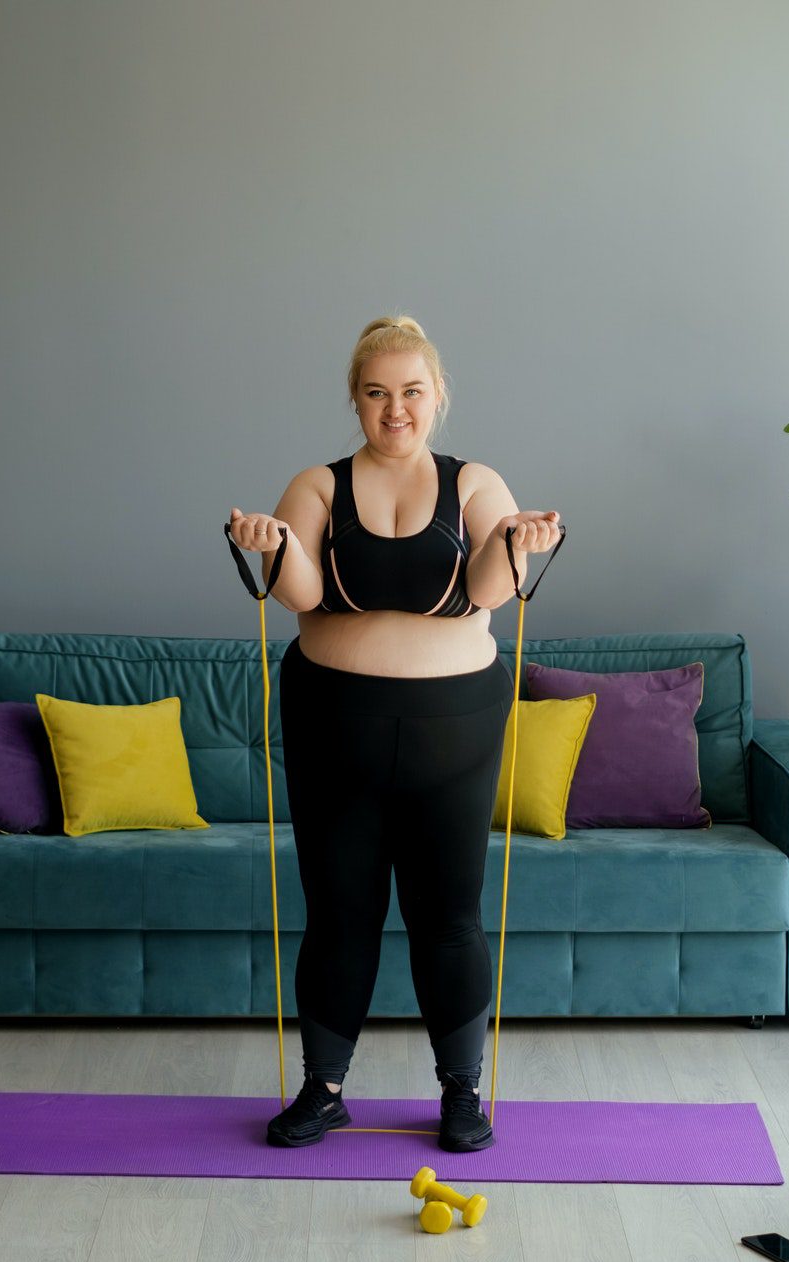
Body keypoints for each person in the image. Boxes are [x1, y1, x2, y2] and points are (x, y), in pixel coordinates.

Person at [226, 314, 562, 1153]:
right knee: (340, 913)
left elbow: (487, 587)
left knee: (448, 913)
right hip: (334, 726)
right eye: (377, 394)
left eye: (411, 391)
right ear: (356, 399)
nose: (395, 410)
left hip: (456, 730)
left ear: (436, 395)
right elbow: (300, 591)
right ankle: (323, 1087)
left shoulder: (476, 483)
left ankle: (461, 1093)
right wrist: (268, 547)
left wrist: (521, 542)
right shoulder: (318, 486)